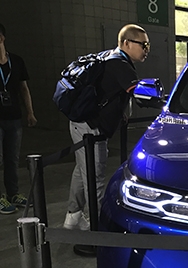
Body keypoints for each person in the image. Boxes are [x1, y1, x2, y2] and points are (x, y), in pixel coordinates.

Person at [63, 24, 149, 229]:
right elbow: (141, 93)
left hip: (83, 124)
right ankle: (99, 228)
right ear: (126, 43)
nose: (146, 49)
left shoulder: (111, 57)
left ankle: (72, 217)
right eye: (143, 44)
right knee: (94, 177)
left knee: (83, 170)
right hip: (89, 128)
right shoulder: (120, 64)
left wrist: (119, 114)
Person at [0, 23, 37, 214]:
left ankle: (13, 193)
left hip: (14, 117)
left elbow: (24, 88)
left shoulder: (16, 61)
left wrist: (30, 112)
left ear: (1, 38)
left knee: (12, 159)